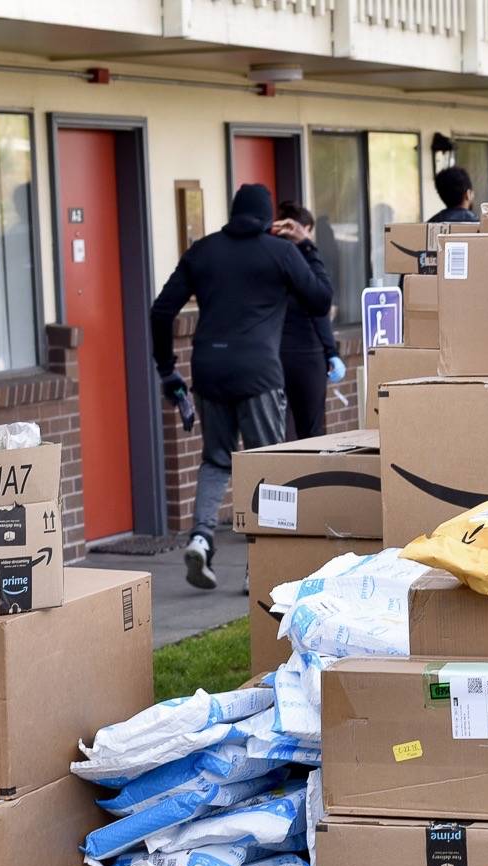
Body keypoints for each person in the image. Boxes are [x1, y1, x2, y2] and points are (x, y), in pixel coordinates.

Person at [151, 182, 332, 591]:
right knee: (268, 464)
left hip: (209, 369)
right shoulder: (282, 252)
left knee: (216, 460)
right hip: (259, 374)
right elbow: (320, 299)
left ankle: (201, 538)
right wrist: (306, 245)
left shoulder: (203, 251)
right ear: (269, 218)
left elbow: (161, 310)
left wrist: (167, 368)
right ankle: (260, 561)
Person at [276, 202, 344, 441]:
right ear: (302, 228)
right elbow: (320, 307)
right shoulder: (304, 258)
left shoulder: (268, 256)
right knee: (312, 434)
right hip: (306, 352)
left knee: (277, 433)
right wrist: (330, 351)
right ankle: (309, 478)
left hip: (272, 354)